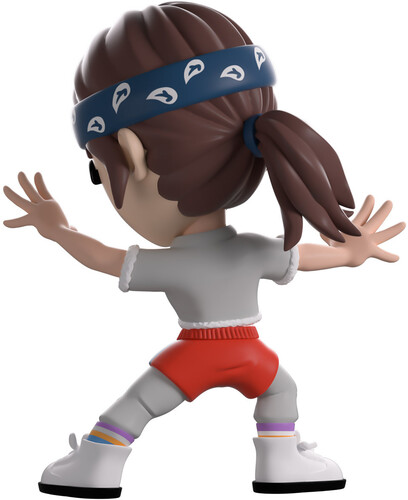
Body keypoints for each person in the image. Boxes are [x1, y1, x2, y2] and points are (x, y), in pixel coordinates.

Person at [3, 3, 405, 498]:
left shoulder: (175, 263)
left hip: (190, 356)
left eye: (97, 171)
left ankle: (94, 463)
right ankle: (280, 462)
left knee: (135, 407)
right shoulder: (253, 249)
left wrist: (59, 230)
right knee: (282, 390)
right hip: (252, 355)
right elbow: (303, 257)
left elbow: (104, 258)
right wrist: (352, 253)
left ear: (131, 153)